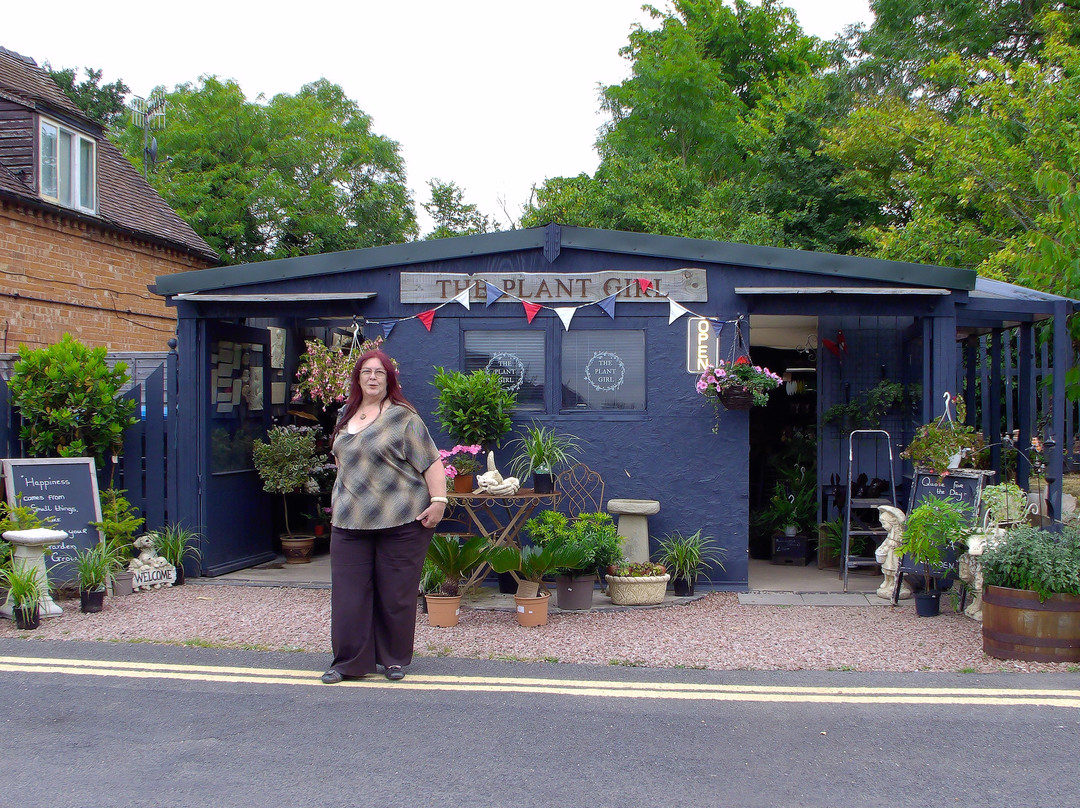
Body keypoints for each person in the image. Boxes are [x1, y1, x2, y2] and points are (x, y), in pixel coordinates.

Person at [321, 349, 447, 683]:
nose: (373, 377)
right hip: (349, 521)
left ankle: (393, 659)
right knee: (349, 597)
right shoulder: (344, 417)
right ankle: (348, 662)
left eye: (379, 372)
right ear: (358, 378)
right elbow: (343, 464)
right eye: (366, 372)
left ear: (389, 379)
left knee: (395, 594)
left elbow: (432, 462)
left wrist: (438, 502)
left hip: (401, 518)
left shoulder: (403, 418)